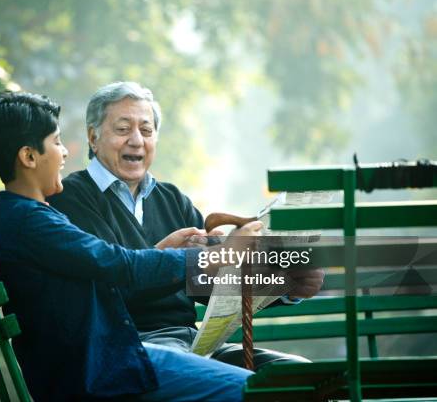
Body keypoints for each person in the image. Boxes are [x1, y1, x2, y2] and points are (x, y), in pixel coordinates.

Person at [0, 90, 258, 401]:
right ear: (28, 157)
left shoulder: (25, 217)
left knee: (285, 379)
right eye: (56, 142)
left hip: (109, 360)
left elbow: (111, 268)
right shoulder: (38, 219)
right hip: (105, 369)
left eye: (146, 130)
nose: (65, 152)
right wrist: (219, 254)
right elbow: (119, 265)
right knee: (255, 390)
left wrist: (290, 276)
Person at [48, 81, 325, 370]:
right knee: (235, 383)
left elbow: (211, 284)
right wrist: (178, 257)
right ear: (93, 137)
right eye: (122, 129)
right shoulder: (71, 199)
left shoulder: (172, 198)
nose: (136, 140)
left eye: (146, 130)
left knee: (297, 372)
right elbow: (105, 295)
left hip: (193, 343)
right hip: (131, 345)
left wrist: (285, 286)